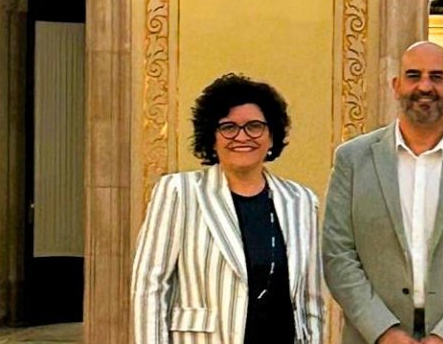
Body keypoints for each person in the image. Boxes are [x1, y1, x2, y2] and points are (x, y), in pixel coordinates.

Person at [323, 41, 443, 344]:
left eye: (437, 77)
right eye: (414, 76)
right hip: (372, 338)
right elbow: (337, 254)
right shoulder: (353, 160)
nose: (425, 86)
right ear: (396, 86)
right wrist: (384, 331)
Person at [131, 73, 324, 343]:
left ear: (271, 137)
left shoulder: (301, 201)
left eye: (254, 126)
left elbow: (309, 300)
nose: (241, 136)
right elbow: (149, 287)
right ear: (212, 137)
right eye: (228, 127)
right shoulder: (179, 192)